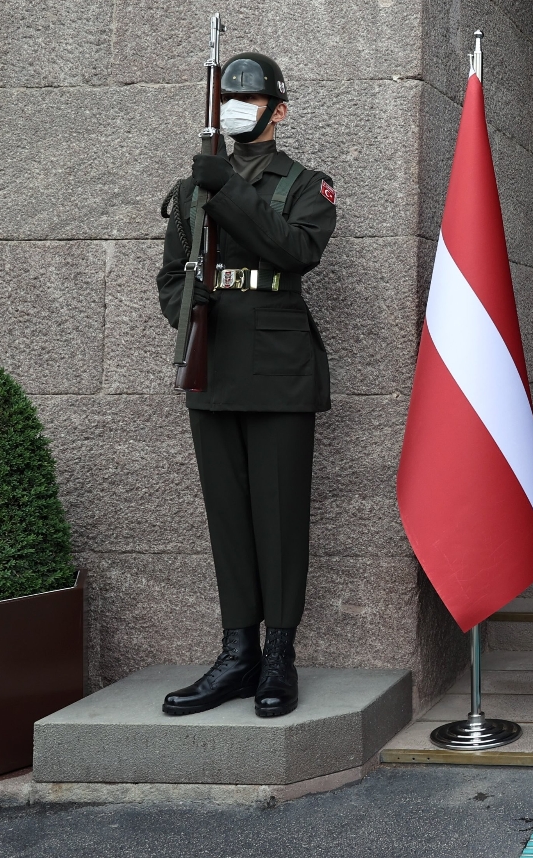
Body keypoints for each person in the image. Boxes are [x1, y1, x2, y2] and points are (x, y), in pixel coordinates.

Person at [156, 52, 337, 718]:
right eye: (228, 99)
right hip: (214, 361)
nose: (236, 109)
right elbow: (171, 275)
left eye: (251, 99)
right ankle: (238, 654)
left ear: (277, 111)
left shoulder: (305, 186)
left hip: (279, 364)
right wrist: (190, 313)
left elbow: (295, 251)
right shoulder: (189, 189)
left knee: (279, 517)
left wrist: (224, 190)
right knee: (229, 519)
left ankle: (280, 656)